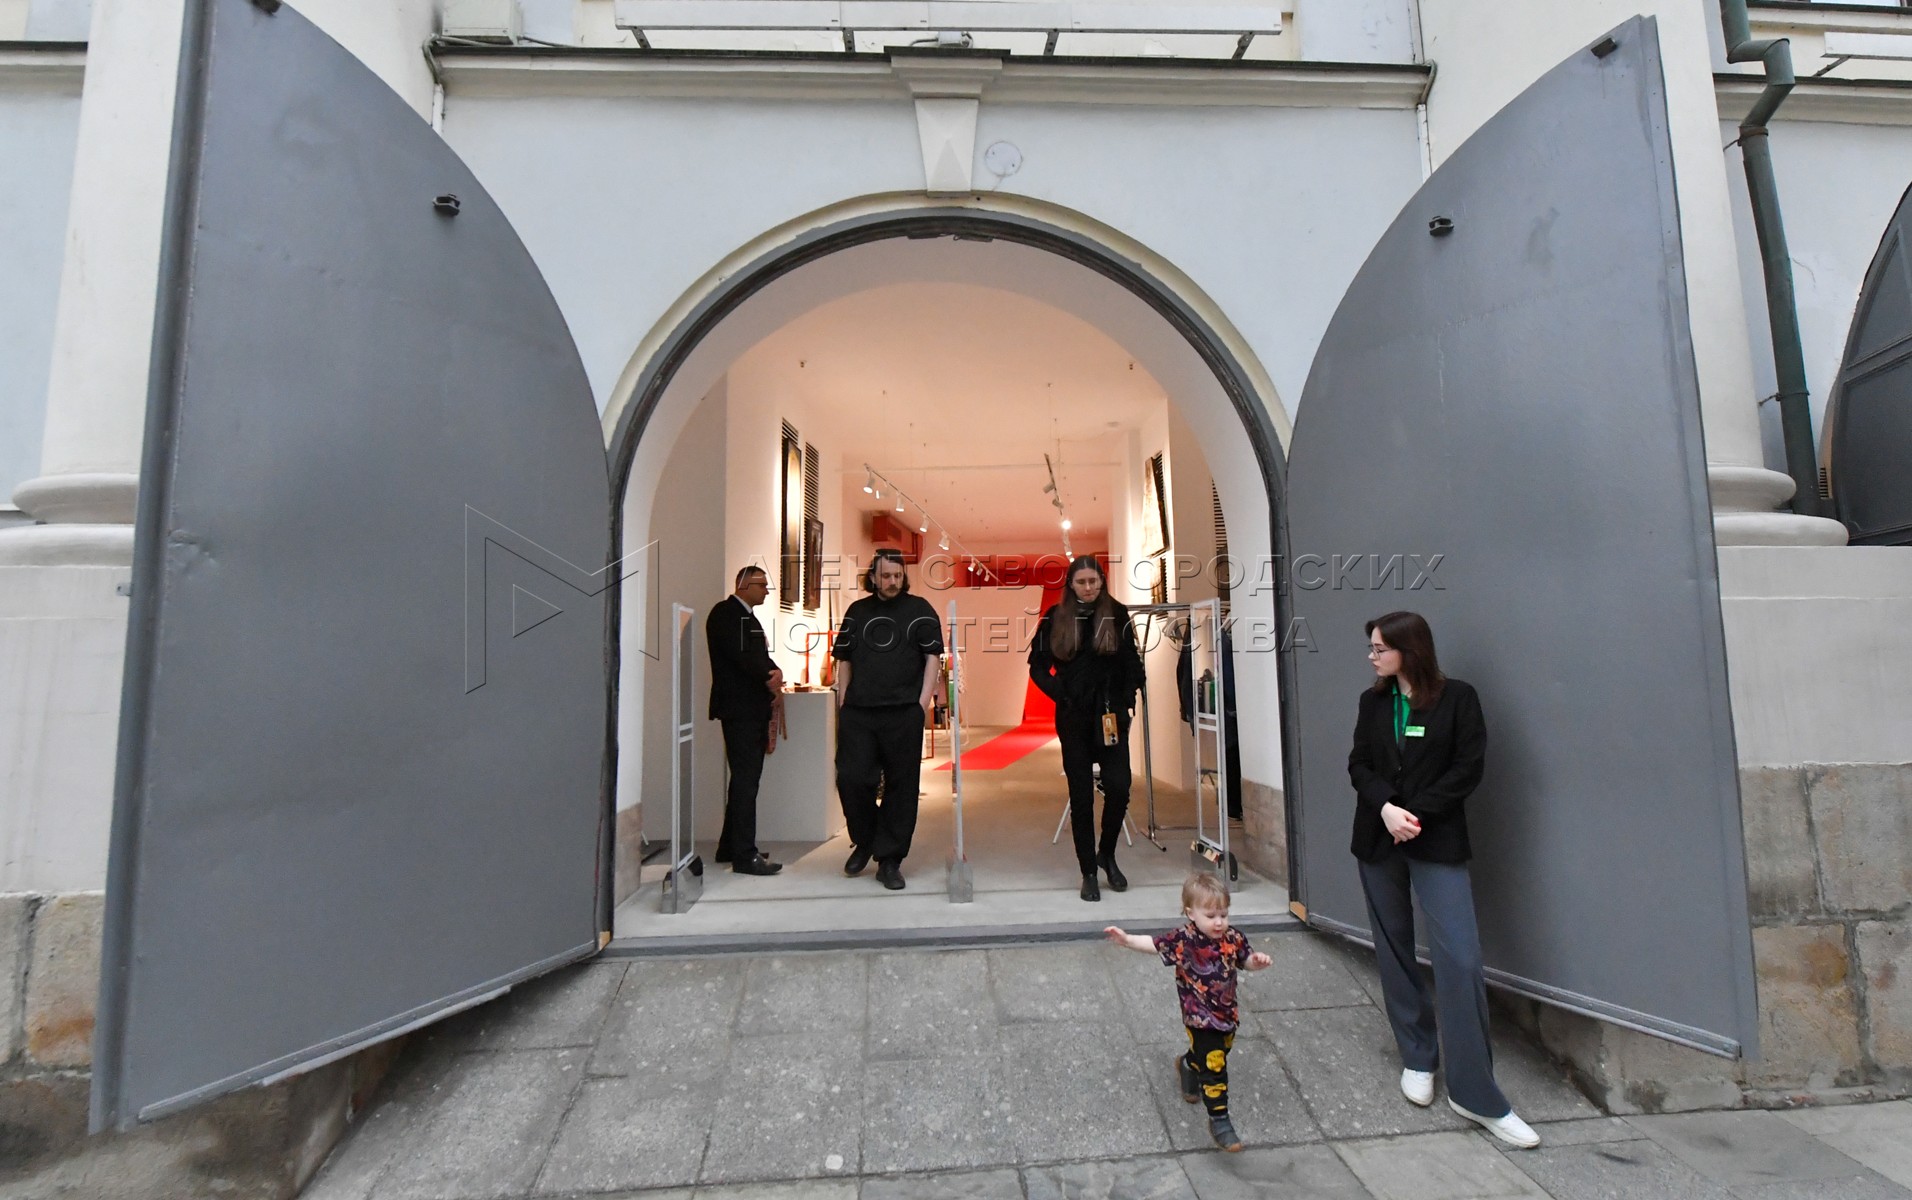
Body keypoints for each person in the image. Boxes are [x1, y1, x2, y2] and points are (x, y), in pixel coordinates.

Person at [1349, 611, 1539, 1149]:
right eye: (1371, 648)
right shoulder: (1373, 702)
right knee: (1394, 950)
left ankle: (1475, 1092)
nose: (1372, 656)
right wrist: (1387, 808)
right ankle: (1417, 1056)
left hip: (1434, 839)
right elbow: (1359, 765)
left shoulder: (1458, 698)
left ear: (1409, 649)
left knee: (1460, 958)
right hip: (1378, 838)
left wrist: (1414, 814)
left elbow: (1467, 768)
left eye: (1380, 648)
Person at [1105, 871, 1272, 1152]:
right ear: (1191, 913)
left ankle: (1187, 1065)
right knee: (1215, 1065)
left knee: (1217, 1053)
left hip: (1226, 1015)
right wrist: (1127, 940)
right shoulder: (1184, 939)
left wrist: (1257, 962)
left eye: (1223, 914)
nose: (1218, 922)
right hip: (1199, 1016)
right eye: (1211, 915)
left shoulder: (1233, 937)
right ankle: (1220, 1120)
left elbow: (1245, 961)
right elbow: (1154, 944)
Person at [1028, 555, 1145, 901]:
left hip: (1111, 716)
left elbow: (1132, 662)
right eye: (1081, 582)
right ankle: (1088, 871)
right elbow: (1037, 667)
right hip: (1074, 718)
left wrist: (1126, 696)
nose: (1088, 587)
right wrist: (1062, 694)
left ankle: (1106, 853)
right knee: (1080, 796)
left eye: (1093, 581)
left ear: (1102, 581)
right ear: (1071, 584)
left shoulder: (1117, 614)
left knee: (1119, 787)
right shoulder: (1055, 617)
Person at [832, 548, 943, 890]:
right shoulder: (857, 611)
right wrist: (843, 701)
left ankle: (890, 859)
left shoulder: (920, 610)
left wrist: (921, 704)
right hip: (859, 711)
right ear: (873, 577)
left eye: (897, 575)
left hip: (903, 711)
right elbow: (844, 659)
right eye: (886, 576)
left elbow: (932, 657)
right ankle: (866, 840)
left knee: (901, 786)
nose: (892, 581)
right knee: (851, 779)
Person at [704, 566, 784, 875]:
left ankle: (730, 845)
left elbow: (757, 655)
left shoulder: (745, 617)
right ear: (743, 584)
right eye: (761, 584)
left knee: (744, 779)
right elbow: (744, 657)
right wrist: (769, 675)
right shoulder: (726, 614)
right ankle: (744, 854)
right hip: (741, 710)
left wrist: (774, 670)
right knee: (745, 781)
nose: (766, 590)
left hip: (748, 709)